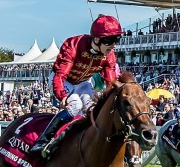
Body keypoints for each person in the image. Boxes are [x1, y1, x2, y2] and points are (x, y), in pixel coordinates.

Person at [32, 15, 122, 158]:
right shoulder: (73, 45)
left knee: (90, 108)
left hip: (83, 82)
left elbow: (110, 81)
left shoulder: (109, 55)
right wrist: (61, 95)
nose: (114, 45)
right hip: (63, 80)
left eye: (117, 40)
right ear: (97, 39)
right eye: (110, 41)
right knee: (75, 105)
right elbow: (60, 76)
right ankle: (43, 141)